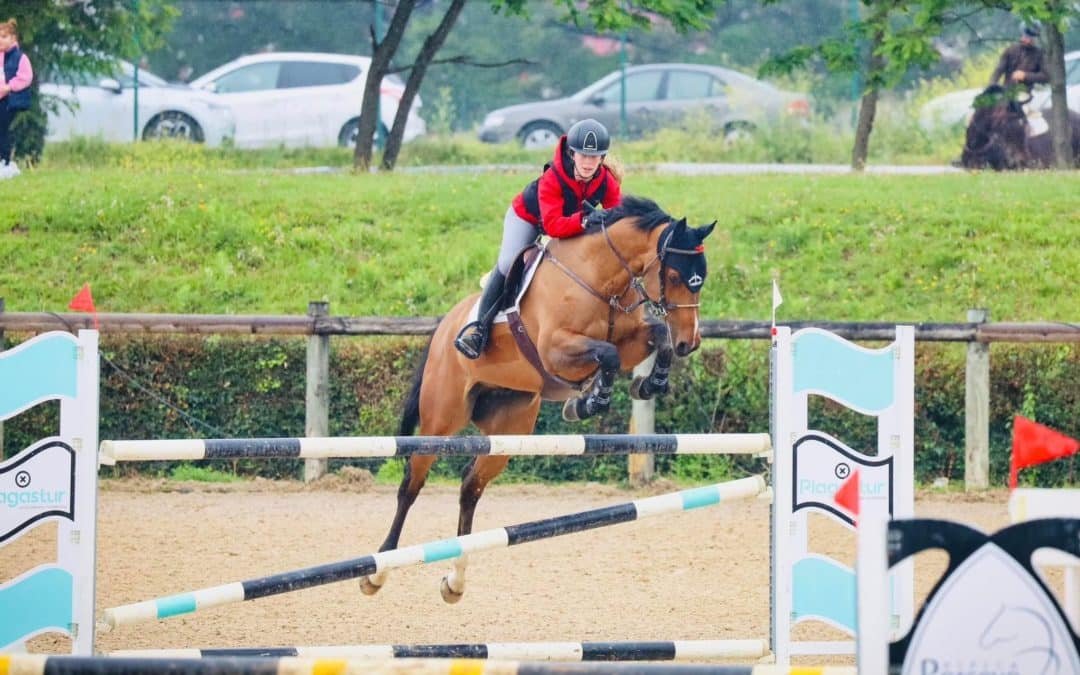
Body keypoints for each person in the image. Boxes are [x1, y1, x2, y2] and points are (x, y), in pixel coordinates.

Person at [454, 118, 623, 359]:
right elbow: (553, 226)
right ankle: (478, 329)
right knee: (508, 263)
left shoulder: (606, 181)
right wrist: (585, 221)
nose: (588, 162)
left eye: (594, 157)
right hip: (528, 219)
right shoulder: (553, 178)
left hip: (569, 223)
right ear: (571, 154)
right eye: (583, 156)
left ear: (602, 159)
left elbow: (617, 216)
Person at [0, 17, 32, 178]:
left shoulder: (20, 57)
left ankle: (4, 161)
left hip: (9, 100)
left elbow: (25, 77)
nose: (0, 40)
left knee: (2, 129)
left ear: (13, 38)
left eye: (3, 37)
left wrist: (9, 87)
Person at [988, 25, 1048, 97]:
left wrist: (1025, 76)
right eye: (1025, 36)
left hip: (1026, 94)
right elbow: (999, 70)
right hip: (1006, 92)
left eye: (1030, 38)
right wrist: (991, 86)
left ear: (1035, 39)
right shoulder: (1011, 49)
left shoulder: (1039, 54)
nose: (1027, 40)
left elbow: (1045, 76)